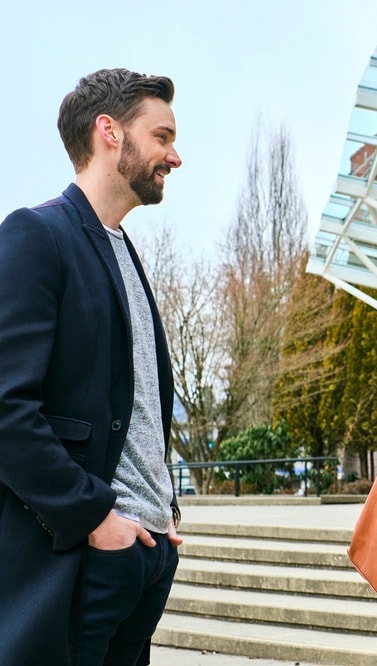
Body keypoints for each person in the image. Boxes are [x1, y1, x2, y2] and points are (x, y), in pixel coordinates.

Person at [0, 68, 184, 665]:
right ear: (109, 131)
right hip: (86, 556)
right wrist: (94, 517)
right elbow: (6, 409)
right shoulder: (36, 235)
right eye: (161, 136)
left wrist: (164, 513)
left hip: (145, 553)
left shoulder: (123, 250)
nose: (174, 156)